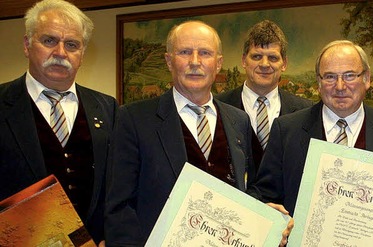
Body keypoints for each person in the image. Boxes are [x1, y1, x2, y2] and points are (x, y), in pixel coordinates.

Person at [104, 20, 256, 245]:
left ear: (218, 63)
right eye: (185, 52)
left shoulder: (239, 120)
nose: (195, 62)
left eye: (205, 53)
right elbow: (119, 209)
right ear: (168, 61)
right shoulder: (134, 119)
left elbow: (247, 189)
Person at [247, 39, 373, 224]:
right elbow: (264, 194)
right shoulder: (287, 130)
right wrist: (264, 209)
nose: (340, 86)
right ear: (319, 83)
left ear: (367, 79)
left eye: (349, 75)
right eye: (329, 77)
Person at [0, 0, 116, 244]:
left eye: (72, 45)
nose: (61, 53)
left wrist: (111, 236)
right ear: (27, 45)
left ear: (82, 54)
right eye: (49, 40)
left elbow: (118, 185)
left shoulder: (108, 108)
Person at [216, 19, 312, 164]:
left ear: (284, 63)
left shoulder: (306, 110)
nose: (264, 64)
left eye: (272, 57)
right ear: (243, 61)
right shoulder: (217, 106)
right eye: (256, 56)